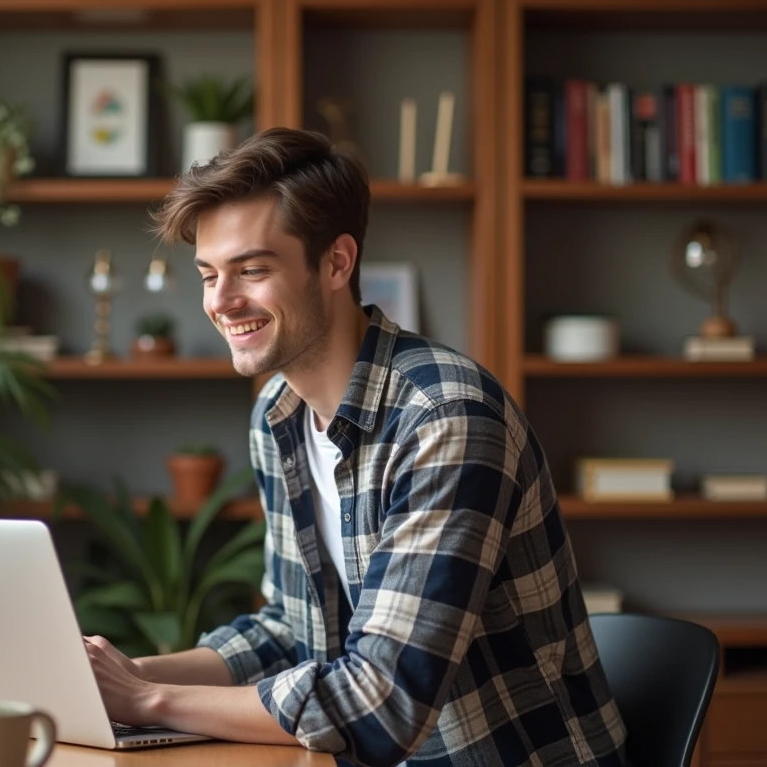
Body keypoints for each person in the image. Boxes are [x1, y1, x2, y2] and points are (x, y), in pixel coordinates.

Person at [82, 127, 628, 767]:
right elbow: (290, 629)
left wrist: (148, 699)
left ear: (337, 263)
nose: (221, 302)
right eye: (209, 274)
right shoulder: (277, 413)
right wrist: (114, 677)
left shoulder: (445, 419)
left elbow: (382, 702)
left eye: (253, 270)